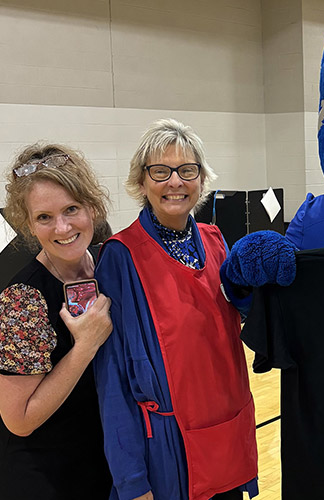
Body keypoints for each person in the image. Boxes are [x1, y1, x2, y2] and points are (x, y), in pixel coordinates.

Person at [93, 118, 258, 500]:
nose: (175, 182)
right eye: (160, 171)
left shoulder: (217, 242)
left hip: (227, 435)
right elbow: (112, 378)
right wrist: (131, 480)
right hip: (167, 453)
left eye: (187, 170)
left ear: (201, 179)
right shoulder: (120, 257)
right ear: (141, 181)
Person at [0, 143, 113, 499]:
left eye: (72, 209)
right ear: (29, 224)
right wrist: (85, 346)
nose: (62, 227)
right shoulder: (22, 301)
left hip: (96, 460)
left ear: (93, 207)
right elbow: (20, 420)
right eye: (44, 217)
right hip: (39, 476)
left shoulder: (109, 269)